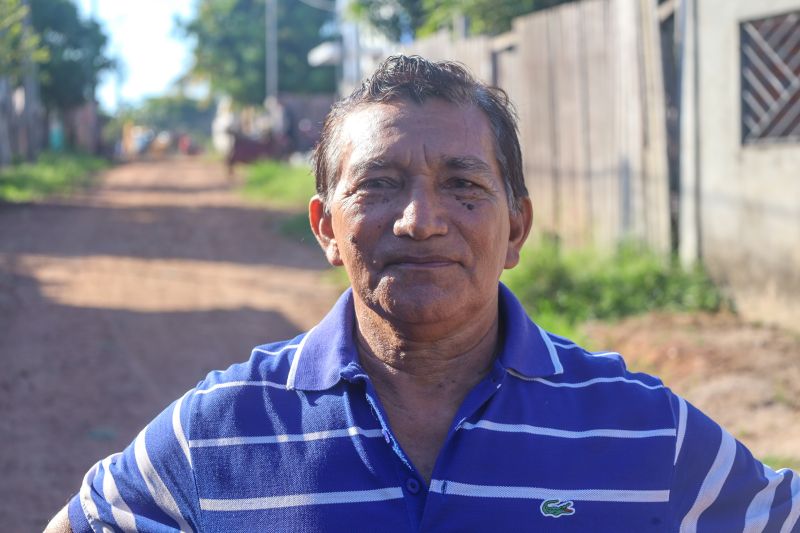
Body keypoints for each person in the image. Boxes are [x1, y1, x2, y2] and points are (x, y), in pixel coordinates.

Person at [47, 55, 798, 532]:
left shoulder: (644, 434)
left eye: (464, 185)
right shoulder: (216, 435)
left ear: (516, 229)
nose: (421, 220)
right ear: (326, 228)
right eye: (379, 183)